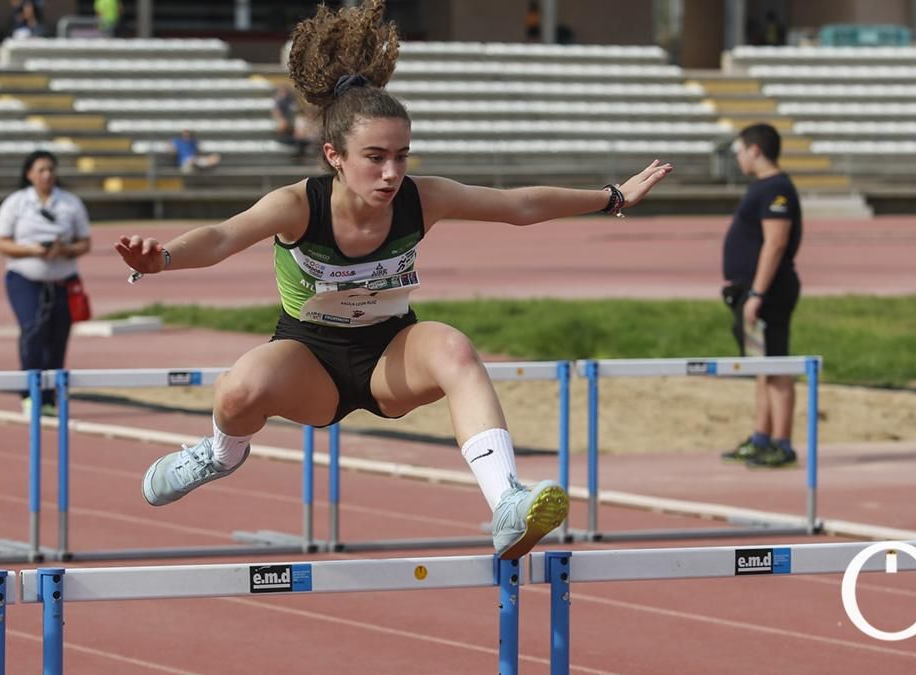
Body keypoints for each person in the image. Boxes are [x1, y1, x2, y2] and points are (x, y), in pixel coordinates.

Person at [114, 0, 671, 560]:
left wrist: (612, 197)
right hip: (310, 358)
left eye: (401, 156)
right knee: (237, 389)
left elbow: (517, 205)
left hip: (390, 352)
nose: (391, 173)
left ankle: (506, 503)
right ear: (334, 155)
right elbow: (220, 238)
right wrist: (161, 257)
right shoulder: (296, 206)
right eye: (375, 157)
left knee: (454, 348)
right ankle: (219, 454)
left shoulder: (421, 198)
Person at [719, 123, 803, 469]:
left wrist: (757, 292)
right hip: (752, 292)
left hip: (767, 292)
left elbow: (776, 242)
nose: (737, 157)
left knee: (777, 365)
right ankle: (761, 437)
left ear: (755, 150)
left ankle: (782, 443)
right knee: (761, 366)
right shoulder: (764, 187)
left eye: (739, 150)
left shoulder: (776, 189)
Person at [0, 150, 92, 416]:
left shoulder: (70, 203)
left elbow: (85, 242)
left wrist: (65, 250)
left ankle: (49, 398)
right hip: (25, 279)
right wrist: (31, 250)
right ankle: (29, 394)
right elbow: (1, 242)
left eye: (51, 169)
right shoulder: (16, 203)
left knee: (58, 337)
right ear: (29, 174)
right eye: (41, 170)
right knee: (33, 329)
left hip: (63, 279)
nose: (47, 175)